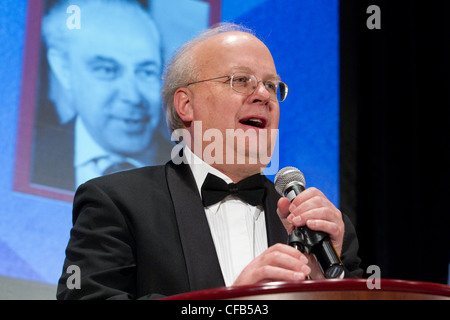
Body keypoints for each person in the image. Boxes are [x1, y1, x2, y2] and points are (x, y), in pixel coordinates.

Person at [56, 23, 362, 300]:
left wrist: (328, 288)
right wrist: (227, 304)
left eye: (271, 85)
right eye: (241, 80)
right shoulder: (116, 203)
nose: (263, 95)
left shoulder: (323, 227)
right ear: (186, 105)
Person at [32, 0, 172, 191]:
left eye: (147, 72)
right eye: (107, 70)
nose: (132, 97)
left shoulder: (190, 175)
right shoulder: (27, 156)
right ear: (64, 70)